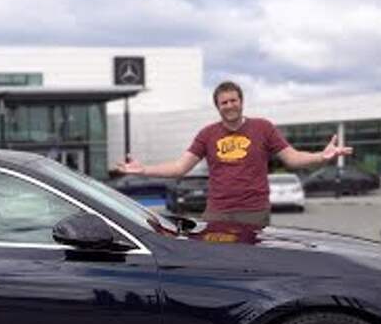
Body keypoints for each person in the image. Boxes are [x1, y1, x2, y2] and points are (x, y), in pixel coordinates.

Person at [113, 81, 353, 226]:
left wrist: (320, 156)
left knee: (250, 266)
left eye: (233, 100)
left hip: (253, 212)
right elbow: (180, 167)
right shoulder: (207, 134)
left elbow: (292, 157)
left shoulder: (263, 128)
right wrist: (144, 170)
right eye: (224, 103)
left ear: (241, 101)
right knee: (218, 267)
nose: (229, 106)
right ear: (217, 107)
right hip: (217, 212)